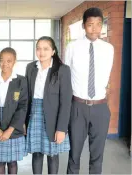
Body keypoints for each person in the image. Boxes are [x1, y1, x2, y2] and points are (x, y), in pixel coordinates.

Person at [65, 7, 114, 174]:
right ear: (84, 26)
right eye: (90, 24)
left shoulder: (109, 49)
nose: (95, 29)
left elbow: (106, 76)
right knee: (74, 155)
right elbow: (66, 76)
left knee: (97, 156)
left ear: (102, 26)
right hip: (78, 107)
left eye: (98, 24)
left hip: (100, 107)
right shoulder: (72, 47)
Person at [25, 36, 72, 174]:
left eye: (46, 49)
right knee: (37, 153)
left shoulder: (62, 69)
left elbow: (66, 101)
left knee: (52, 155)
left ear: (53, 51)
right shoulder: (30, 67)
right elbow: (27, 97)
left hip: (53, 117)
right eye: (38, 48)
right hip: (34, 114)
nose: (42, 52)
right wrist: (24, 122)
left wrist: (62, 128)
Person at [0, 47, 28, 174]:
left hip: (13, 125)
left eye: (9, 61)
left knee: (12, 162)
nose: (5, 64)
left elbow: (23, 106)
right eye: (2, 60)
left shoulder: (21, 81)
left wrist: (10, 130)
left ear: (14, 62)